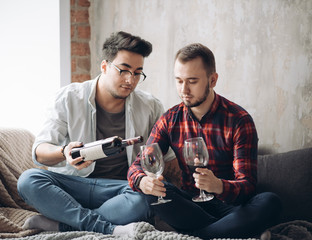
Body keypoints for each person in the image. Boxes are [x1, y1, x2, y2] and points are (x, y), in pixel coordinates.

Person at [17, 31, 175, 237]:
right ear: (104, 66)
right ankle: (108, 228)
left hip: (121, 191)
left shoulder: (150, 106)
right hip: (74, 188)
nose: (130, 80)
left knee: (146, 198)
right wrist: (64, 151)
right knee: (28, 180)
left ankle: (65, 224)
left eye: (137, 73)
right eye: (124, 70)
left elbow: (168, 160)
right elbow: (40, 152)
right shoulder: (68, 98)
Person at [128, 43, 282, 239]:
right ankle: (236, 231)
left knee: (270, 202)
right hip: (191, 206)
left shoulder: (238, 120)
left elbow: (248, 185)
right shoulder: (170, 119)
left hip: (232, 208)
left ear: (213, 80)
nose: (184, 89)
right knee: (152, 194)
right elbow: (137, 166)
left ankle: (200, 235)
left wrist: (218, 185)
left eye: (192, 81)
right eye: (179, 81)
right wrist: (142, 181)